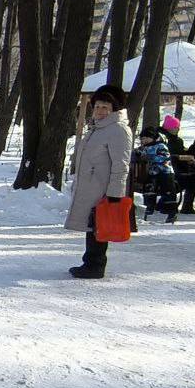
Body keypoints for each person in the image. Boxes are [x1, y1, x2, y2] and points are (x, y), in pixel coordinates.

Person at [65, 85, 131, 279]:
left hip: (103, 188)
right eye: (97, 107)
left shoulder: (118, 130)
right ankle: (90, 262)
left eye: (105, 108)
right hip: (92, 185)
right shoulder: (98, 128)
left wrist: (115, 194)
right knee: (93, 225)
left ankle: (95, 265)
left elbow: (121, 163)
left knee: (100, 225)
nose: (100, 111)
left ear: (113, 110)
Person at [135, 126, 179, 223]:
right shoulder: (143, 148)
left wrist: (149, 157)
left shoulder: (161, 146)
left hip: (165, 172)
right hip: (152, 173)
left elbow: (164, 158)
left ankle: (171, 211)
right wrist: (137, 155)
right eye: (142, 138)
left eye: (147, 138)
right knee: (149, 188)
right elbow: (136, 153)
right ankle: (149, 207)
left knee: (168, 191)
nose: (144, 140)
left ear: (154, 138)